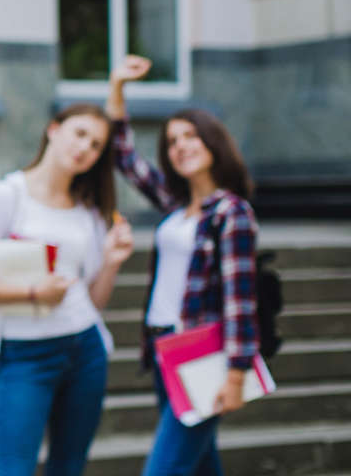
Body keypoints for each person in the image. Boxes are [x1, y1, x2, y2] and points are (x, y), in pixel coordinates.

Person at [0, 103, 135, 476]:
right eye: (80, 133)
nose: (85, 148)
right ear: (54, 129)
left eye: (97, 144)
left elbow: (95, 300)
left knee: (69, 467)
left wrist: (112, 262)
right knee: (13, 469)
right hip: (25, 355)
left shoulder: (88, 210)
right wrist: (35, 292)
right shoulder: (6, 196)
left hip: (86, 350)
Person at [106, 55, 260, 476]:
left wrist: (236, 373)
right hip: (163, 350)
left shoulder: (231, 213)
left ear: (213, 142)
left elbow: (240, 300)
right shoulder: (177, 207)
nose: (180, 147)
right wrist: (117, 87)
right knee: (199, 465)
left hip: (203, 353)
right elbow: (125, 158)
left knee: (165, 468)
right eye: (172, 141)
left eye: (190, 136)